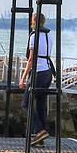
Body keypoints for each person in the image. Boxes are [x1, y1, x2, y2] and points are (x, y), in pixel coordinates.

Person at [19, 13, 55, 146]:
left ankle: (40, 131)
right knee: (40, 104)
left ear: (33, 21)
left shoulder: (34, 36)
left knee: (26, 103)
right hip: (48, 72)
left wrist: (22, 78)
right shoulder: (49, 35)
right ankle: (41, 136)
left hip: (38, 73)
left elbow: (31, 60)